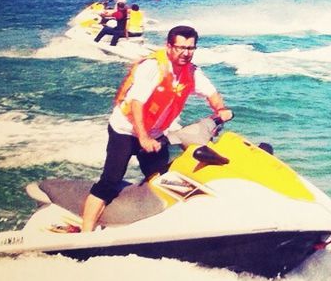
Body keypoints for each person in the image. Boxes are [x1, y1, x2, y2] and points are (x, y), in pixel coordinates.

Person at [80, 25, 233, 232]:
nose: (185, 53)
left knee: (162, 178)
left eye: (190, 48)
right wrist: (142, 138)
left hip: (154, 134)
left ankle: (157, 221)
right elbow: (137, 104)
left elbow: (211, 93)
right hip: (125, 130)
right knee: (111, 179)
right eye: (180, 48)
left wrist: (221, 109)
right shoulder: (153, 67)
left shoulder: (191, 72)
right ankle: (86, 232)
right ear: (169, 46)